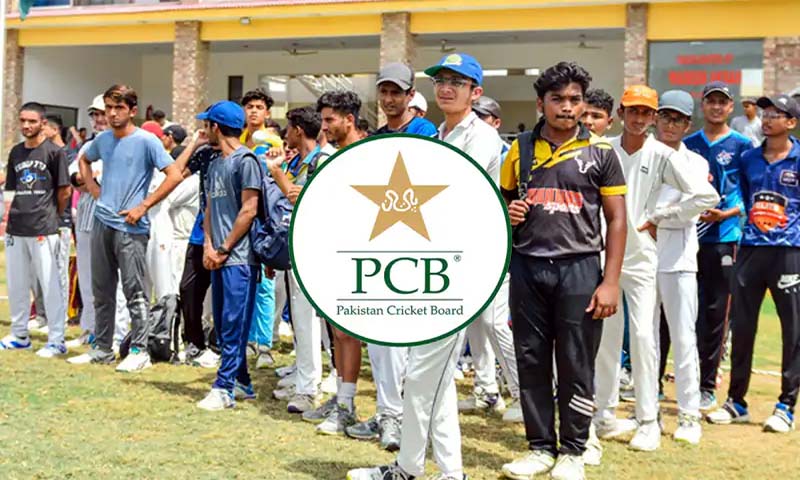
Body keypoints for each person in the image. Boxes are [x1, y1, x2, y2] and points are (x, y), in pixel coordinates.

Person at [348, 52, 502, 480]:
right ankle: (448, 473)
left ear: (475, 92)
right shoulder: (440, 133)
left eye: (457, 82)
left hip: (461, 268)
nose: (446, 88)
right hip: (434, 267)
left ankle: (408, 469)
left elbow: (455, 195)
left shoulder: (481, 137)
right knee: (435, 379)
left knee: (420, 377)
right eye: (441, 81)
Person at [497, 62, 627, 480]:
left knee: (576, 363)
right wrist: (509, 213)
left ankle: (574, 450)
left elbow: (617, 220)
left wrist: (610, 282)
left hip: (580, 268)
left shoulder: (601, 152)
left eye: (575, 99)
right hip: (528, 266)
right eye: (558, 99)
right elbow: (502, 203)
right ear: (541, 103)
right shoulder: (519, 148)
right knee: (531, 359)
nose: (567, 107)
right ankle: (539, 447)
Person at [593, 85, 718, 453]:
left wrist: (660, 216)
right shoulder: (603, 149)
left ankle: (649, 419)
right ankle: (604, 413)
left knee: (645, 336)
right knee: (606, 338)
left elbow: (706, 196)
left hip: (645, 259)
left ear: (652, 118)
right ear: (620, 112)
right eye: (633, 110)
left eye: (645, 113)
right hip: (604, 257)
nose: (639, 118)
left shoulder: (664, 155)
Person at [707, 94, 800, 434]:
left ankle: (786, 405)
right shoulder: (748, 158)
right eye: (766, 113)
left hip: (789, 251)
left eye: (777, 114)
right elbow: (746, 198)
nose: (768, 119)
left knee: (793, 330)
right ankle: (737, 402)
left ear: (791, 122)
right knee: (743, 326)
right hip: (750, 249)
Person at [74, 85, 181, 372]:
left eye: (118, 108)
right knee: (102, 291)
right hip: (101, 222)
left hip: (131, 227)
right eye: (109, 107)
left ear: (132, 111)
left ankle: (139, 350)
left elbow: (174, 175)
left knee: (135, 292)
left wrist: (143, 206)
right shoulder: (103, 139)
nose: (112, 113)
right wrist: (93, 189)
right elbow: (84, 158)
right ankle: (102, 348)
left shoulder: (147, 141)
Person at [651, 90, 717, 445]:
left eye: (678, 119)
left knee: (683, 337)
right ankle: (648, 410)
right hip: (643, 258)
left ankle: (689, 414)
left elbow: (693, 209)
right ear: (656, 118)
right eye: (665, 116)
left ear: (687, 124)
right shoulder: (643, 153)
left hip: (679, 259)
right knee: (645, 338)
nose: (670, 124)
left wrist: (657, 218)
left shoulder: (696, 163)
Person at [684, 81, 752, 412]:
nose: (715, 107)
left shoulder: (743, 145)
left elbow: (750, 192)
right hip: (687, 237)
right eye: (710, 101)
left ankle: (707, 385)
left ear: (730, 107)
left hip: (725, 237)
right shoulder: (687, 144)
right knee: (685, 311)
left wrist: (727, 213)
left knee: (716, 313)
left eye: (721, 102)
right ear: (703, 105)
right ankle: (680, 378)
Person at [192, 100, 261, 410]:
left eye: (207, 124)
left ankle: (224, 387)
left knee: (233, 323)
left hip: (240, 258)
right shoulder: (215, 163)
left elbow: (249, 209)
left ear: (216, 127)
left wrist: (223, 248)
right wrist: (209, 245)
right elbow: (209, 208)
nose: (204, 130)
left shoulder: (246, 161)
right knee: (222, 324)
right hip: (219, 256)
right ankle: (242, 379)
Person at [303, 90, 364, 435]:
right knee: (337, 330)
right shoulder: (333, 157)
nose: (323, 127)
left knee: (347, 331)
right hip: (332, 250)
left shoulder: (365, 155)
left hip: (359, 255)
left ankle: (347, 406)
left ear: (349, 120)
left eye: (330, 120)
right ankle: (342, 397)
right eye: (322, 120)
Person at [267, 106, 332, 414]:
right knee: (301, 322)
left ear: (298, 130)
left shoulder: (323, 160)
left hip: (314, 251)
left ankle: (309, 388)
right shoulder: (303, 162)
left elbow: (302, 199)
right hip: (297, 248)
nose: (286, 134)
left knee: (308, 322)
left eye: (289, 128)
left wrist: (277, 174)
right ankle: (304, 379)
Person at [0, 102, 70, 357]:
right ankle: (19, 335)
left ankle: (56, 339)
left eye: (32, 121)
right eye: (23, 121)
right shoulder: (16, 152)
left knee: (50, 285)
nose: (26, 125)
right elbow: (11, 189)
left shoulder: (54, 152)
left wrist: (52, 216)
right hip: (17, 228)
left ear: (43, 123)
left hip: (44, 227)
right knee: (17, 284)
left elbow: (64, 191)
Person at [65, 95, 131, 355]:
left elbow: (111, 180)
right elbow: (74, 176)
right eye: (96, 114)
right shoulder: (89, 145)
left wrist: (90, 179)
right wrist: (86, 179)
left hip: (112, 219)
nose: (100, 119)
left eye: (104, 113)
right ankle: (90, 330)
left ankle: (116, 334)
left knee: (114, 282)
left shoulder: (125, 143)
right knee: (87, 279)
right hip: (86, 218)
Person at [239, 88, 278, 371]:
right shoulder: (238, 139)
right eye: (249, 106)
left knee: (265, 284)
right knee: (245, 281)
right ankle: (248, 338)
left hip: (265, 219)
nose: (253, 111)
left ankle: (264, 344)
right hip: (241, 217)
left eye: (259, 107)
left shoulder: (272, 142)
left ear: (267, 113)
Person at [373, 63, 438, 138]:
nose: (388, 100)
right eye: (383, 92)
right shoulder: (377, 137)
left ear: (411, 94)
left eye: (395, 93)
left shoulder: (423, 130)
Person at [473, 95, 512, 160]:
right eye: (471, 115)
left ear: (496, 123)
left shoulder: (508, 154)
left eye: (480, 116)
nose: (474, 120)